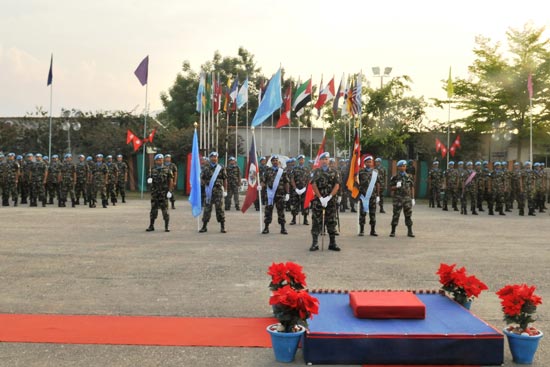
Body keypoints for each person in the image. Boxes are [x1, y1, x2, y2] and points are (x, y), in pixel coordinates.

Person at [309, 152, 341, 251]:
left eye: (326, 159)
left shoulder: (335, 172)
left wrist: (329, 197)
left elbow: (337, 185)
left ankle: (332, 243)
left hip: (331, 201)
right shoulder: (316, 171)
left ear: (328, 160)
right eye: (322, 159)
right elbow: (313, 184)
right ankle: (315, 243)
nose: (324, 161)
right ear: (320, 161)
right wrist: (321, 198)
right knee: (316, 222)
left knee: (331, 221)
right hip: (318, 201)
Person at [260, 155, 290, 235]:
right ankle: (266, 227)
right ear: (271, 162)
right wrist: (260, 186)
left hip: (280, 195)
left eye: (276, 160)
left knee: (281, 211)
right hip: (270, 195)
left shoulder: (282, 171)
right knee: (268, 211)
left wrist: (287, 193)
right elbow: (263, 181)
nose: (275, 162)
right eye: (273, 161)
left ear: (278, 161)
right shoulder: (267, 171)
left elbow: (286, 182)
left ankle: (283, 228)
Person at [199, 152, 227, 233]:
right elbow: (202, 178)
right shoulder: (205, 168)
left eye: (215, 157)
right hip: (208, 192)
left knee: (220, 209)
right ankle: (204, 226)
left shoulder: (221, 167)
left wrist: (225, 190)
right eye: (212, 157)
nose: (214, 158)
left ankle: (222, 227)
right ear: (210, 158)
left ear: (217, 158)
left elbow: (225, 179)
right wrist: (203, 183)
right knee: (207, 209)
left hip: (218, 191)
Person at [146, 154, 173, 232]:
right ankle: (151, 225)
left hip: (163, 193)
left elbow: (170, 181)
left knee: (165, 210)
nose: (159, 161)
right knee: (153, 210)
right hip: (155, 193)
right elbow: (148, 178)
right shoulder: (152, 169)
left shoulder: (167, 169)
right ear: (155, 161)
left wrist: (170, 191)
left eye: (161, 160)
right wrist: (149, 180)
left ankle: (166, 226)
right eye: (158, 160)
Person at [389, 160, 415, 238]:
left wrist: (413, 198)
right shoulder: (395, 177)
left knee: (408, 215)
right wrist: (396, 187)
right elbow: (391, 188)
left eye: (404, 166)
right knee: (396, 215)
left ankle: (410, 231)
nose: (402, 168)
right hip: (398, 198)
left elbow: (412, 187)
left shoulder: (409, 176)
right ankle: (393, 231)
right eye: (401, 166)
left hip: (407, 198)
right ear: (398, 167)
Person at [357, 156, 380, 237]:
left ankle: (373, 230)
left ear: (372, 163)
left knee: (373, 214)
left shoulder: (375, 172)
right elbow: (357, 183)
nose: (369, 163)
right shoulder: (360, 172)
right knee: (362, 214)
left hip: (373, 196)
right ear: (365, 163)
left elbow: (377, 184)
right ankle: (361, 230)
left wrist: (378, 195)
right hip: (363, 197)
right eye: (367, 162)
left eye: (370, 162)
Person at [290, 154, 309, 225]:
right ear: (298, 160)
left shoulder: (307, 169)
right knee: (294, 204)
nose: (301, 161)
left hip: (304, 190)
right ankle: (293, 219)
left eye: (302, 159)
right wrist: (295, 188)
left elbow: (309, 180)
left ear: (304, 160)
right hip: (296, 190)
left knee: (305, 204)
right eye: (300, 160)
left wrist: (305, 188)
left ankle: (305, 219)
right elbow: (292, 179)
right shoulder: (294, 169)